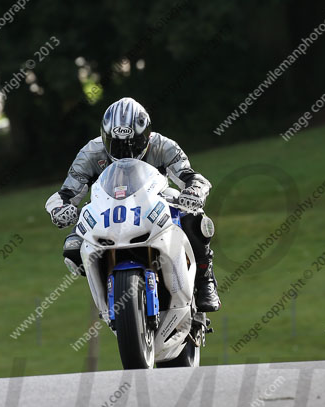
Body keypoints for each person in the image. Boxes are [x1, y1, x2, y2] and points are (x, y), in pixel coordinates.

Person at [44, 97, 221, 311]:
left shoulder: (163, 146)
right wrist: (59, 208)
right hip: (107, 210)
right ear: (105, 136)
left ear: (146, 135)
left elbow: (190, 176)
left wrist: (193, 192)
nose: (124, 151)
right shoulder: (90, 153)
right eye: (116, 144)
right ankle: (107, 292)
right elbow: (67, 192)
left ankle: (205, 280)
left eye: (132, 143)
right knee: (72, 247)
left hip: (154, 205)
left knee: (196, 219)